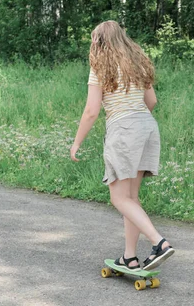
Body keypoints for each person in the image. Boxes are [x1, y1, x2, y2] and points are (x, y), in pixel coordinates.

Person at [70, 20, 174, 271]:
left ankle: (159, 242)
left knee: (119, 198)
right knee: (131, 197)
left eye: (94, 40)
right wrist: (137, 123)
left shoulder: (99, 66)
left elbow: (91, 111)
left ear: (99, 41)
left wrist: (76, 143)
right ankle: (129, 256)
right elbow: (152, 101)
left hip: (124, 130)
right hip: (147, 127)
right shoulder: (138, 64)